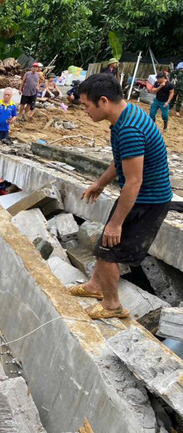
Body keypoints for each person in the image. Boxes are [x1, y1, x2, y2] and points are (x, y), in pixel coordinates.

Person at [70, 73, 172, 319]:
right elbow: (121, 162)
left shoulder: (129, 129)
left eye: (86, 105)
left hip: (147, 200)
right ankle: (95, 287)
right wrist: (100, 183)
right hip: (140, 196)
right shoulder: (125, 116)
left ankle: (112, 306)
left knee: (108, 251)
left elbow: (134, 182)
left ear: (103, 101)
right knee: (105, 244)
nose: (85, 111)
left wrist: (116, 223)